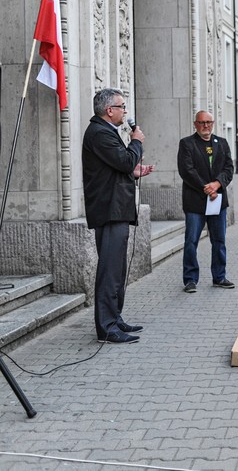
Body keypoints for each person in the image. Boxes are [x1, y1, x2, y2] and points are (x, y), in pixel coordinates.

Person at [82, 88, 145, 344]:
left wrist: (134, 172)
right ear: (110, 110)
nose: (125, 112)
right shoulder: (99, 133)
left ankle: (115, 318)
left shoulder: (106, 131)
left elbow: (117, 167)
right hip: (109, 210)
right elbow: (125, 161)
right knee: (109, 271)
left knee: (117, 270)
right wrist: (137, 142)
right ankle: (107, 328)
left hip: (116, 208)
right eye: (122, 107)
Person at [178, 110, 235, 293]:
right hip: (195, 201)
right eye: (202, 122)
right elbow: (187, 170)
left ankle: (219, 277)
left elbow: (229, 168)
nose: (205, 126)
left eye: (208, 122)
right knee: (191, 241)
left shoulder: (222, 143)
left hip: (218, 201)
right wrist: (206, 187)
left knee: (219, 241)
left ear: (213, 123)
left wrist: (217, 184)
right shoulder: (187, 143)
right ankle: (190, 279)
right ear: (195, 124)